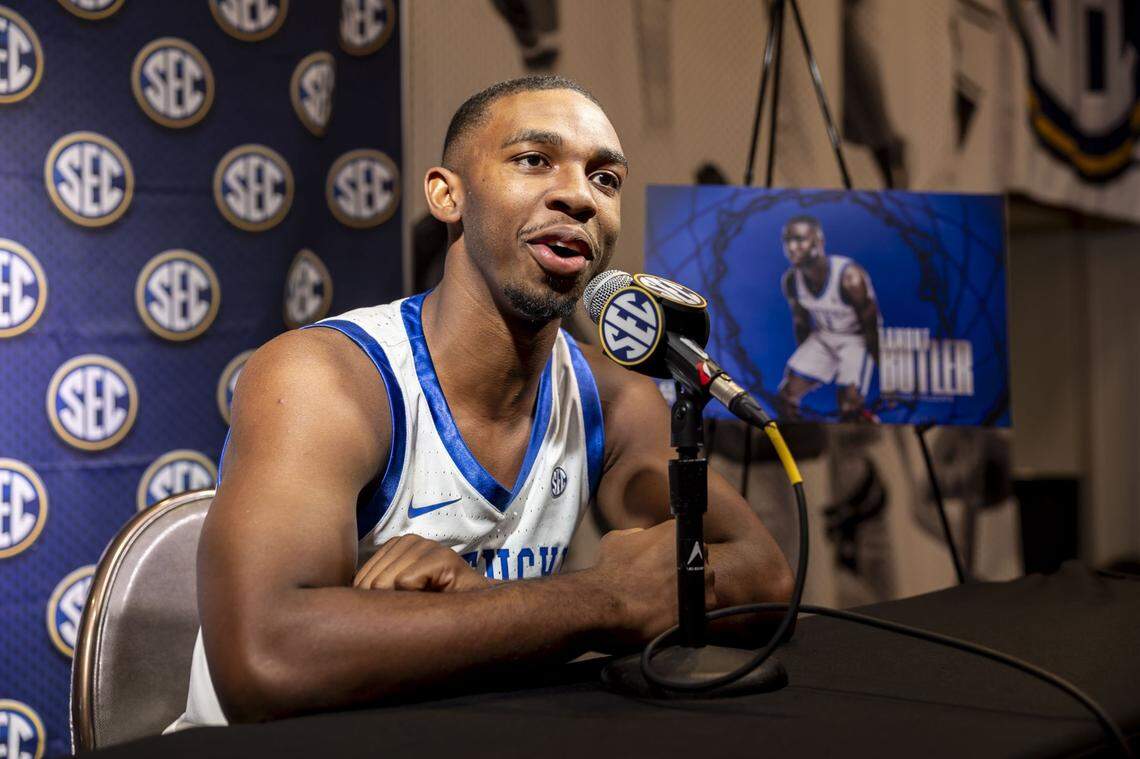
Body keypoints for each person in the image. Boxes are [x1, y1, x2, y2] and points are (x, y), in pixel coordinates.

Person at [170, 75, 793, 728]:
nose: (579, 195)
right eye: (534, 160)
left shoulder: (613, 401)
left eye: (605, 179)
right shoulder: (326, 378)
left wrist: (487, 600)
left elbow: (766, 576)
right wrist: (606, 600)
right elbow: (265, 660)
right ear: (448, 195)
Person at [776, 215, 881, 421]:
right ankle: (796, 439)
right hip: (824, 336)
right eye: (787, 241)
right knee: (785, 397)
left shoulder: (850, 277)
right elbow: (801, 323)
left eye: (800, 239)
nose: (792, 247)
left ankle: (865, 420)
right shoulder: (791, 280)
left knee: (848, 406)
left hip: (856, 339)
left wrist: (882, 371)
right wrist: (808, 361)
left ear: (819, 242)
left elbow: (871, 327)